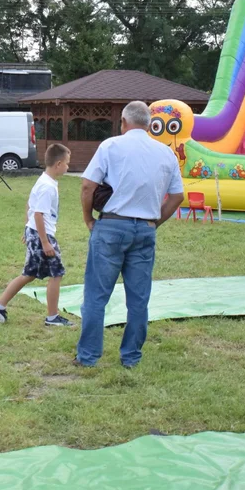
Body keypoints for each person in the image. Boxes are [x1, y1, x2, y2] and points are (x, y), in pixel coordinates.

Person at [75, 101, 186, 369]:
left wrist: (88, 218)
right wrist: (154, 223)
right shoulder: (166, 153)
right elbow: (178, 196)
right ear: (149, 124)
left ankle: (88, 357)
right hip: (145, 229)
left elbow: (88, 186)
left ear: (123, 122)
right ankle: (131, 357)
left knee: (96, 296)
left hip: (111, 226)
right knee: (138, 299)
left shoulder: (111, 146)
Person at [0, 143, 73, 326]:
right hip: (43, 235)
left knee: (29, 274)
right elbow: (38, 213)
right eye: (67, 163)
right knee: (56, 273)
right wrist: (44, 242)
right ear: (58, 164)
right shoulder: (47, 187)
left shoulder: (44, 181)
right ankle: (52, 317)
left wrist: (29, 230)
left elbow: (29, 205)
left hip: (36, 232)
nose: (68, 166)